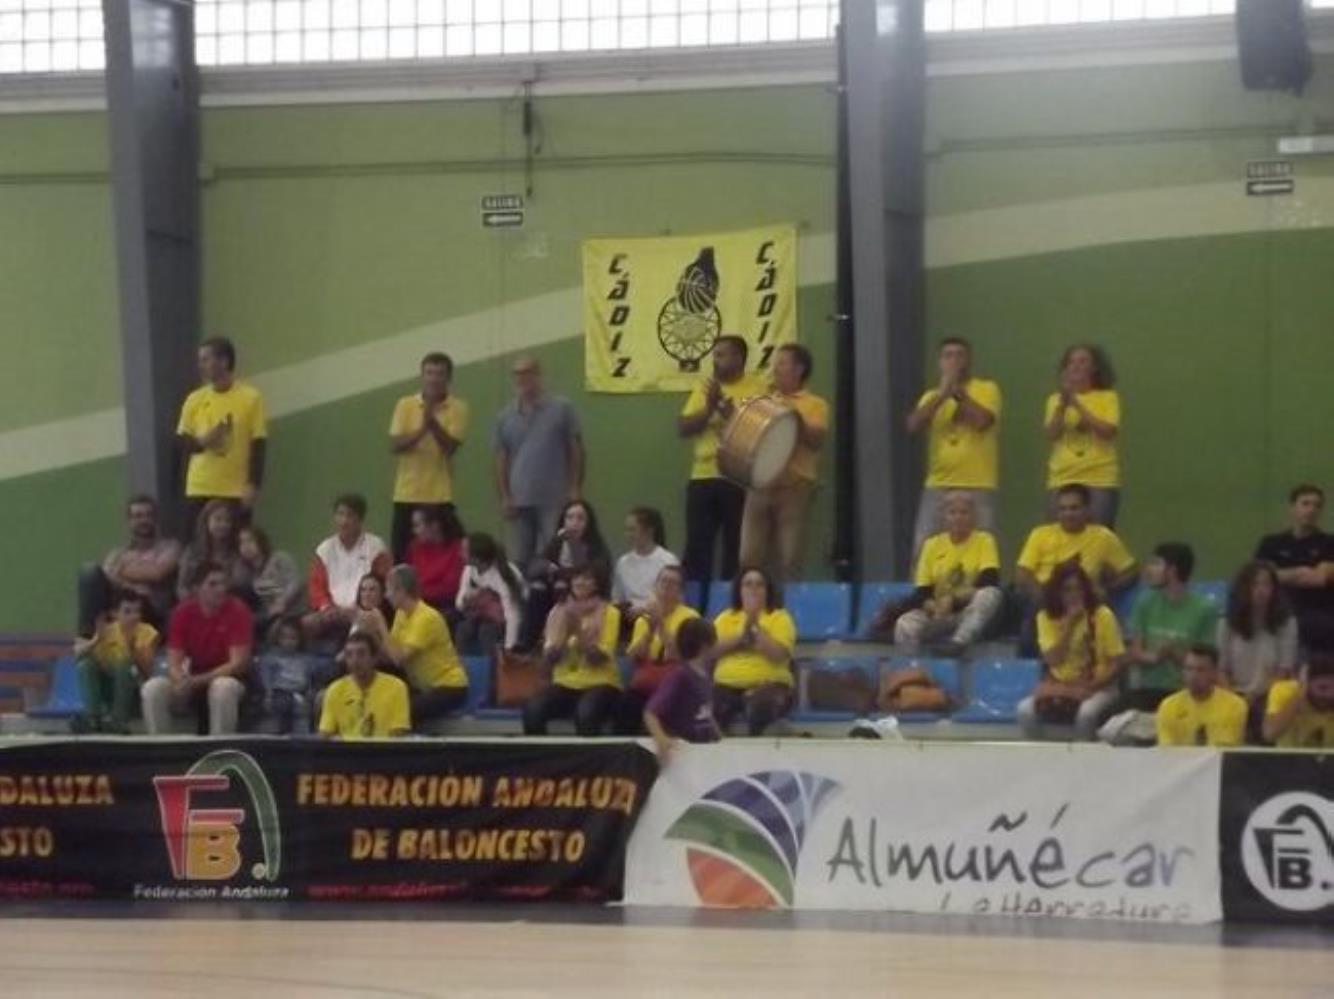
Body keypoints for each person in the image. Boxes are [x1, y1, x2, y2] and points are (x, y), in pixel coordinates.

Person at [679, 336, 767, 586]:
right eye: (714, 354)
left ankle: (730, 609)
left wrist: (728, 412)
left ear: (738, 358)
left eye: (721, 354)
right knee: (697, 546)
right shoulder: (705, 388)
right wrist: (708, 408)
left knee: (735, 547)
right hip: (702, 477)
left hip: (737, 477)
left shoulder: (757, 389)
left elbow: (760, 434)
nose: (715, 360)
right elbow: (684, 428)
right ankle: (695, 609)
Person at [739, 343, 829, 582]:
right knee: (749, 557)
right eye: (775, 364)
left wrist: (792, 414)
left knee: (789, 558)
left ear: (799, 370)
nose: (775, 369)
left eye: (782, 363)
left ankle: (787, 613)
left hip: (794, 487)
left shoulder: (814, 404)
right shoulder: (763, 400)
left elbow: (816, 441)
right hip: (760, 485)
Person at [1015, 484, 1137, 654]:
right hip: (1044, 595)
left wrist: (1108, 588)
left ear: (1087, 510)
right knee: (1036, 609)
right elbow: (1023, 574)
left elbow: (1131, 571)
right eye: (1062, 509)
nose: (1068, 514)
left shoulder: (1103, 537)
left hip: (1082, 596)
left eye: (1074, 508)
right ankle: (1029, 665)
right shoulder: (1040, 534)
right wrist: (1046, 595)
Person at [906, 337, 1001, 554]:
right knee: (924, 544)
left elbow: (982, 422)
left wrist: (958, 394)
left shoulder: (986, 389)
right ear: (940, 362)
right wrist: (942, 395)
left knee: (983, 546)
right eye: (948, 356)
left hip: (978, 481)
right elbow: (913, 425)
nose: (954, 361)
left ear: (969, 360)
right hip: (939, 482)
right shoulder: (931, 396)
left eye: (960, 355)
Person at [492, 355, 585, 571]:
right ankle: (527, 603)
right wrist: (505, 496)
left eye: (527, 373)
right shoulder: (505, 416)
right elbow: (501, 459)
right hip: (520, 500)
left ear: (538, 375)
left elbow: (576, 450)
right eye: (517, 374)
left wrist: (574, 487)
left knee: (558, 554)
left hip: (555, 498)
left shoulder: (562, 409)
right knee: (521, 559)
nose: (522, 379)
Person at [1017, 563, 1126, 741]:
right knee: (1024, 710)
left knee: (1086, 714)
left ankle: (1086, 757)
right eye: (1067, 590)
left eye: (1079, 589)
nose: (1074, 595)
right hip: (1060, 685)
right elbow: (1053, 660)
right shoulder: (1045, 617)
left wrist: (1091, 686)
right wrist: (1069, 625)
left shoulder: (1102, 615)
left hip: (1099, 685)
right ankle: (1040, 757)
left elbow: (1117, 662)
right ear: (1057, 592)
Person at [142, 562, 253, 735]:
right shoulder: (182, 613)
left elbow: (237, 664)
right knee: (153, 688)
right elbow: (174, 661)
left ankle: (220, 752)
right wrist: (180, 680)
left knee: (222, 687)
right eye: (212, 584)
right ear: (196, 588)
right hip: (193, 678)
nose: (220, 589)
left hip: (230, 679)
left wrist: (196, 681)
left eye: (223, 583)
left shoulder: (238, 611)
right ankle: (160, 750)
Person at [894, 491, 1003, 655]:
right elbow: (921, 593)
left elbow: (989, 579)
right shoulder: (931, 545)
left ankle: (958, 643)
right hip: (938, 613)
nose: (958, 517)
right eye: (952, 512)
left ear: (973, 517)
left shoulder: (984, 540)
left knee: (990, 594)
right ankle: (913, 668)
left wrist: (953, 600)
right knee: (905, 623)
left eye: (964, 512)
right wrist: (935, 608)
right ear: (944, 517)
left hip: (968, 612)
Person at [175, 336, 267, 531]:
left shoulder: (250, 397)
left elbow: (258, 444)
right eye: (200, 360)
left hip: (235, 489)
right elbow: (182, 442)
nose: (201, 366)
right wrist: (203, 441)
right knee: (199, 544)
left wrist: (253, 484)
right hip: (200, 488)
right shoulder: (194, 399)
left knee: (236, 545)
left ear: (224, 361)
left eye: (205, 359)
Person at [358, 565, 468, 728]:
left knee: (402, 711)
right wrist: (372, 633)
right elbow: (390, 654)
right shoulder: (401, 614)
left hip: (449, 687)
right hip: (422, 687)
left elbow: (399, 659)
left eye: (389, 590)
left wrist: (381, 626)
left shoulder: (426, 618)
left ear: (401, 591)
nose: (386, 596)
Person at [388, 352, 470, 561]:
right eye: (429, 373)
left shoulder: (458, 408)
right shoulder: (405, 404)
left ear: (448, 378)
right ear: (422, 376)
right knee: (402, 556)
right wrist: (423, 427)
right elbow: (397, 445)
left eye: (439, 374)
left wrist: (433, 423)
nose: (433, 379)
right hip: (406, 494)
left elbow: (450, 447)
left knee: (456, 549)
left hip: (439, 495)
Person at [523, 565, 622, 737]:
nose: (580, 582)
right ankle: (543, 762)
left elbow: (598, 659)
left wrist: (577, 630)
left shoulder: (610, 612)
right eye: (577, 578)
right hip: (564, 683)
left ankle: (589, 763)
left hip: (601, 683)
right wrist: (556, 644)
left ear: (597, 585)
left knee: (586, 713)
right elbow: (546, 667)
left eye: (587, 578)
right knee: (533, 710)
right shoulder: (557, 613)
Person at [1125, 543, 1219, 713]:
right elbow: (1134, 651)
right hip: (1147, 689)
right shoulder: (1145, 603)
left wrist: (1174, 653)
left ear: (1172, 570)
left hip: (1186, 691)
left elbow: (1207, 662)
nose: (1149, 570)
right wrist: (1154, 657)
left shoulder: (1204, 609)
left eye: (1156, 564)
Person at [712, 567, 797, 736]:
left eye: (759, 585)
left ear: (767, 591)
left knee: (763, 704)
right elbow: (712, 651)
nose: (753, 589)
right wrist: (742, 635)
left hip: (770, 685)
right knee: (707, 703)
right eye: (748, 584)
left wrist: (755, 625)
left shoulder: (780, 617)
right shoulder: (725, 618)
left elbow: (778, 655)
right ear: (739, 590)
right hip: (726, 686)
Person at [1218, 560, 1298, 741]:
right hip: (1233, 694)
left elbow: (1284, 668)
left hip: (1269, 696)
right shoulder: (1227, 623)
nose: (1261, 590)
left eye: (1266, 584)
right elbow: (1221, 668)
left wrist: (1259, 695)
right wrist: (1235, 700)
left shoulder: (1286, 622)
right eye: (1255, 584)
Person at [79, 495, 180, 636]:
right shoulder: (118, 552)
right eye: (138, 516)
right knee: (89, 573)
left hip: (151, 611)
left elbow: (157, 573)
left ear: (155, 519)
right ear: (129, 521)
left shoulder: (169, 547)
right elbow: (107, 579)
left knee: (136, 597)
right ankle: (88, 639)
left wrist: (122, 569)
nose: (144, 520)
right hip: (120, 608)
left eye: (148, 515)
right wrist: (136, 578)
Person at [615, 564, 699, 735]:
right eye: (663, 581)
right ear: (656, 587)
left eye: (673, 583)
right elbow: (632, 656)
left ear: (680, 591)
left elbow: (680, 655)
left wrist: (660, 622)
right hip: (647, 681)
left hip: (677, 683)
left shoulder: (690, 618)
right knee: (625, 705)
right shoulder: (643, 619)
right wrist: (650, 629)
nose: (667, 586)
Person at [1043, 344, 1121, 527]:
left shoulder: (1107, 397)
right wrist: (1063, 405)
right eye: (1071, 362)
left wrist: (1077, 404)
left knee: (1098, 538)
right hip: (1062, 478)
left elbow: (1108, 432)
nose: (1076, 366)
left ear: (1094, 367)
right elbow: (1052, 434)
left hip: (1099, 478)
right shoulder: (1054, 400)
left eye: (1082, 361)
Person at [522, 499, 612, 650]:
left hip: (585, 595)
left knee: (560, 585)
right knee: (537, 587)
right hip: (554, 593)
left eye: (580, 518)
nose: (574, 523)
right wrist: (548, 566)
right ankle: (526, 647)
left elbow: (588, 571)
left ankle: (556, 645)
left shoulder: (596, 546)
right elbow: (534, 567)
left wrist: (572, 545)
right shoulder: (557, 542)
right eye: (569, 517)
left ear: (588, 523)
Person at [1254, 485, 1334, 652]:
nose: (1312, 509)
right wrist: (1301, 572)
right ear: (1292, 507)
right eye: (1306, 504)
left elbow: (1318, 579)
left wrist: (1278, 574)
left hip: (1319, 617)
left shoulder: (1330, 543)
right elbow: (1259, 578)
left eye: (1317, 505)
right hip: (1278, 614)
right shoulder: (1271, 544)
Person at [304, 493, 392, 641]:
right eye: (340, 515)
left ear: (360, 519)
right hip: (331, 611)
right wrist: (326, 607)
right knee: (303, 624)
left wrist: (360, 608)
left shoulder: (376, 547)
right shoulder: (325, 549)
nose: (344, 521)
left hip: (363, 611)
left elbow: (382, 585)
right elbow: (316, 586)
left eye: (350, 516)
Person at [71, 592, 159, 734]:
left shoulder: (147, 633)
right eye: (127, 611)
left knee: (124, 664)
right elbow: (76, 656)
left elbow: (148, 673)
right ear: (115, 614)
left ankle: (118, 721)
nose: (134, 616)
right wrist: (96, 640)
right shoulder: (107, 632)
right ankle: (94, 719)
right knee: (86, 664)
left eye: (137, 611)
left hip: (135, 694)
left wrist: (132, 648)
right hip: (108, 694)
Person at [644, 617, 722, 762]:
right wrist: (661, 741)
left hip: (701, 748)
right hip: (683, 752)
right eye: (715, 641)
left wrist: (720, 739)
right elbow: (650, 713)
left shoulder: (707, 673)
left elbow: (706, 711)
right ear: (705, 646)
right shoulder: (681, 676)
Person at [318, 632, 411, 740]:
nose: (355, 660)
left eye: (361, 654)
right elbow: (325, 736)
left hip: (383, 754)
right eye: (349, 655)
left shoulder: (396, 687)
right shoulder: (335, 689)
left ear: (374, 658)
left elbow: (398, 736)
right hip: (347, 754)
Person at [1155, 644, 1247, 747]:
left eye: (1201, 670)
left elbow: (1224, 749)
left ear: (1214, 672)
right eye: (1189, 669)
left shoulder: (1234, 705)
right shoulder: (1168, 706)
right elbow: (1166, 749)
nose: (1193, 676)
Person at [455, 533, 526, 657]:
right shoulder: (469, 570)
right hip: (484, 613)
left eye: (464, 551)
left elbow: (513, 614)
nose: (459, 553)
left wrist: (509, 647)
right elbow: (459, 603)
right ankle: (463, 666)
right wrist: (468, 599)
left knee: (486, 632)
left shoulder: (503, 576)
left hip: (509, 614)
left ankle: (493, 670)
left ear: (477, 557)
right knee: (463, 629)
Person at [176, 498, 252, 603]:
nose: (223, 525)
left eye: (227, 520)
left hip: (229, 606)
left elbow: (240, 583)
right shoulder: (192, 551)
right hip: (195, 607)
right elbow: (182, 587)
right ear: (206, 522)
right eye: (218, 519)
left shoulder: (237, 551)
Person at [612, 507, 679, 620]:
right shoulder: (623, 562)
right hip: (628, 619)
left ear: (649, 530)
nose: (628, 535)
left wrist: (645, 609)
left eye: (633, 530)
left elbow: (675, 599)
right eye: (627, 530)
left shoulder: (668, 560)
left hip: (658, 617)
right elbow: (617, 597)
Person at [239, 524, 304, 640]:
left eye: (250, 540)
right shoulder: (250, 574)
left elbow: (295, 582)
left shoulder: (279, 558)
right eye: (242, 543)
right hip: (271, 615)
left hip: (294, 611)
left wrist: (283, 600)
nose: (246, 546)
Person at [256, 617, 320, 735]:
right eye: (284, 638)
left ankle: (301, 740)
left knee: (303, 708)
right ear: (277, 638)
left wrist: (309, 692)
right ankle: (274, 736)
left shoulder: (305, 659)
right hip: (279, 693)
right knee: (282, 705)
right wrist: (268, 694)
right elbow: (266, 679)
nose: (288, 642)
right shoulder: (270, 658)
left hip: (300, 694)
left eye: (293, 638)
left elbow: (309, 679)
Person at [406, 504, 466, 618]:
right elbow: (408, 580)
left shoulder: (457, 549)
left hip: (446, 607)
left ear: (435, 525)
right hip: (419, 605)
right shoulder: (414, 547)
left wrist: (418, 592)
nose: (414, 531)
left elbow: (451, 588)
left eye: (417, 526)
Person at [1263, 653, 1334, 748]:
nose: (1330, 694)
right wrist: (1300, 695)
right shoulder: (1284, 691)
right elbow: (1270, 734)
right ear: (1306, 683)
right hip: (1288, 761)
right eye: (1323, 688)